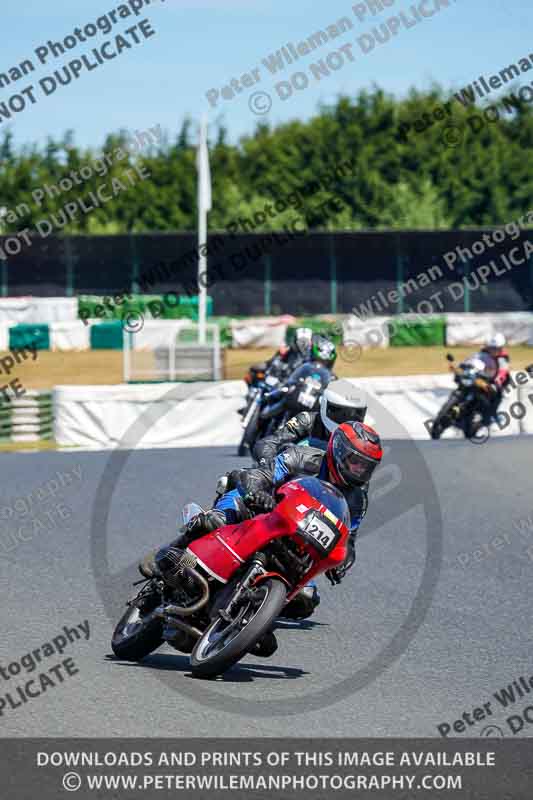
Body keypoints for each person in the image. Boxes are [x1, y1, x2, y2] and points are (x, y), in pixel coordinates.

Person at [176, 421, 383, 650]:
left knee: (306, 599)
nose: (359, 471)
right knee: (213, 522)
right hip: (258, 507)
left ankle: (253, 616)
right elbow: (262, 473)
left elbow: (348, 537)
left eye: (366, 467)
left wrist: (344, 560)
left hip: (297, 537)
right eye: (355, 462)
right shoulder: (304, 456)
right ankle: (177, 559)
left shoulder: (357, 499)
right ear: (338, 451)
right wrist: (259, 493)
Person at [254, 379, 368, 465]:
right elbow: (268, 442)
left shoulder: (361, 437)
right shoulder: (306, 420)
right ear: (326, 407)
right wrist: (267, 463)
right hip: (294, 480)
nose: (348, 420)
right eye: (343, 414)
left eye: (357, 414)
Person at [476, 333, 511, 424]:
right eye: (492, 347)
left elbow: (503, 371)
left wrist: (497, 381)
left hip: (499, 379)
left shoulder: (503, 357)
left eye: (496, 348)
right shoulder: (484, 351)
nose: (493, 350)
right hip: (485, 375)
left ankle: (492, 414)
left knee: (497, 394)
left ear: (501, 348)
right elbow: (475, 359)